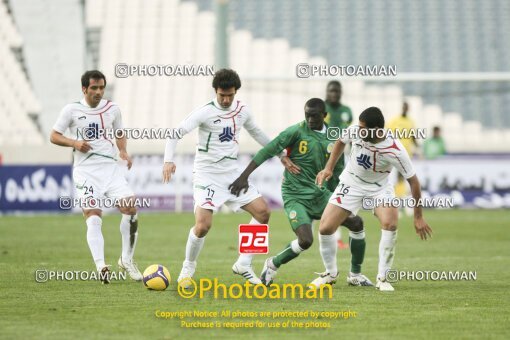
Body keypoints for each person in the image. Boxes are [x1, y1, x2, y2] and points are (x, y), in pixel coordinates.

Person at [162, 69, 297, 287]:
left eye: (230, 95)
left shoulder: (243, 110)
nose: (226, 100)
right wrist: (168, 160)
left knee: (263, 212)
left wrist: (281, 154)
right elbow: (175, 133)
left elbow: (258, 134)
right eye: (222, 95)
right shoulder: (204, 112)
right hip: (206, 175)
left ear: (236, 92)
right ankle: (188, 268)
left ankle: (244, 263)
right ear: (215, 91)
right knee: (203, 225)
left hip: (232, 174)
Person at [229, 98, 372, 287]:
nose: (310, 119)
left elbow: (337, 168)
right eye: (307, 115)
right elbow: (268, 150)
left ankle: (355, 275)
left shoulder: (333, 136)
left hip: (320, 194)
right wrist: (244, 176)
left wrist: (336, 196)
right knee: (305, 241)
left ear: (324, 115)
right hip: (295, 195)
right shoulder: (295, 131)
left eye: (314, 116)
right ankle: (272, 264)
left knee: (356, 222)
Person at [314, 107, 433, 291]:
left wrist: (418, 217)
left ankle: (383, 278)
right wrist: (329, 168)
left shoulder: (395, 149)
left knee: (390, 224)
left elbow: (414, 182)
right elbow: (340, 142)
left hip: (379, 189)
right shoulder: (356, 131)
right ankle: (330, 273)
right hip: (351, 184)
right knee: (325, 228)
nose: (359, 131)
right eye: (359, 127)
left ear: (377, 129)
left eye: (364, 128)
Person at [50, 70, 142, 284]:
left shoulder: (113, 109)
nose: (99, 92)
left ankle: (126, 259)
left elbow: (119, 133)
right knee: (93, 214)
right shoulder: (71, 110)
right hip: (86, 172)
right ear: (84, 89)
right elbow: (54, 135)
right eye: (94, 88)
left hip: (110, 169)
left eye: (101, 88)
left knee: (130, 208)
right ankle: (101, 265)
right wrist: (74, 143)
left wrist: (123, 151)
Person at [324, 80, 353, 249]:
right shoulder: (321, 108)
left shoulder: (347, 112)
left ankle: (337, 237)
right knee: (318, 192)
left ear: (340, 92)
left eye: (336, 91)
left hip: (341, 159)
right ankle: (308, 231)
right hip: (321, 156)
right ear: (327, 92)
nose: (334, 94)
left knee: (338, 196)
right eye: (331, 91)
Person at [387, 101, 418, 199]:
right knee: (400, 176)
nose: (405, 109)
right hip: (395, 153)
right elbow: (387, 133)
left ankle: (400, 198)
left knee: (404, 177)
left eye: (406, 107)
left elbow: (413, 137)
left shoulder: (411, 121)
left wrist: (418, 147)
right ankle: (399, 198)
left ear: (408, 109)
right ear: (402, 108)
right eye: (404, 107)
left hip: (406, 153)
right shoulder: (395, 120)